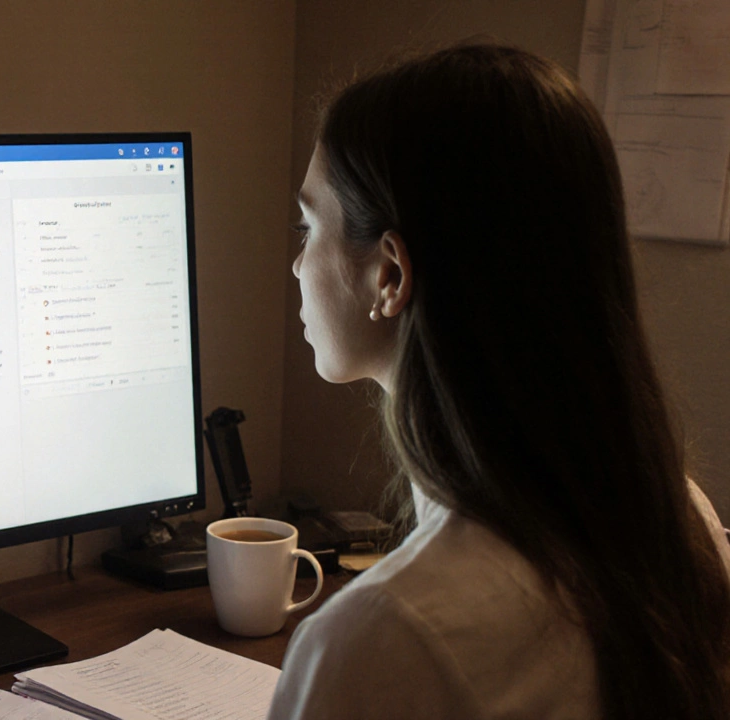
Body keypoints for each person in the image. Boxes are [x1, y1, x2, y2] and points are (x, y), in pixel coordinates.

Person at [269, 44, 730, 720]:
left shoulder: (385, 637)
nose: (297, 265)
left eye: (309, 226)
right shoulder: (680, 521)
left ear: (390, 276)